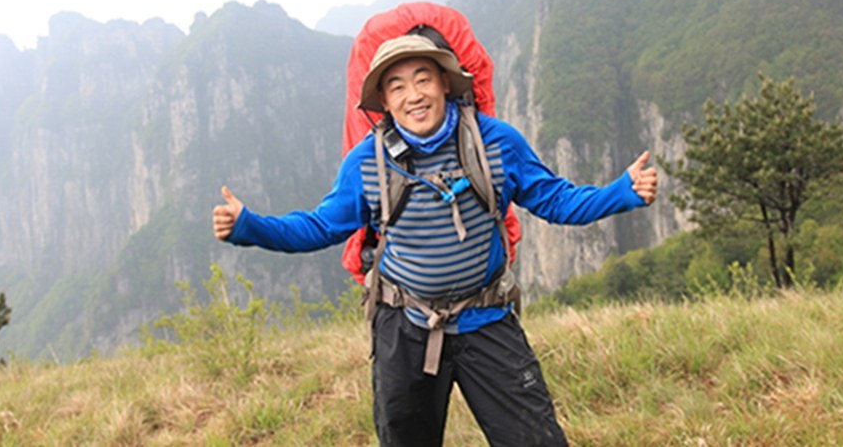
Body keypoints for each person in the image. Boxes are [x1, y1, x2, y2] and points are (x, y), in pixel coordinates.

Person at [213, 34, 658, 446]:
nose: (414, 96)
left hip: (485, 317)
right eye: (398, 87)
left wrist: (621, 192)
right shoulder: (367, 162)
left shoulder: (494, 142)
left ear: (445, 83)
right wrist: (249, 225)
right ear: (384, 102)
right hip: (404, 328)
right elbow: (320, 226)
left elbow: (554, 199)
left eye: (423, 79)